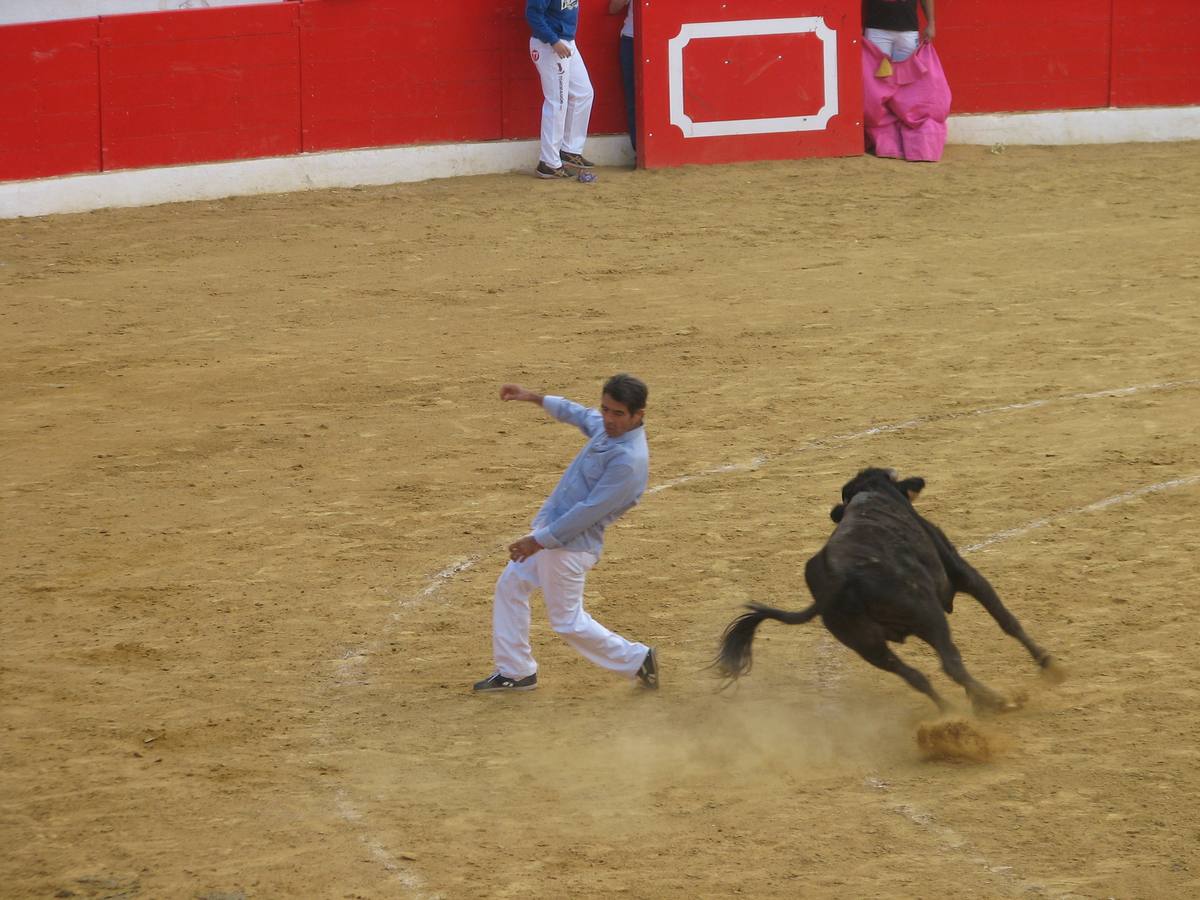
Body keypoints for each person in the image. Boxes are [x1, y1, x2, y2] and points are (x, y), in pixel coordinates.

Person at [473, 374, 659, 693]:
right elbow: (578, 413)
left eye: (618, 413)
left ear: (637, 415)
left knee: (567, 621)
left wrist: (537, 541)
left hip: (569, 546)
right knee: (511, 586)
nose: (608, 418)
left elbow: (588, 512)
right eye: (606, 409)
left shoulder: (628, 461)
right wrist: (531, 396)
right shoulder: (605, 426)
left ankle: (637, 659)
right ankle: (516, 671)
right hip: (554, 536)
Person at [526, 0, 596, 179]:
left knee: (584, 93)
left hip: (567, 42)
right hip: (550, 45)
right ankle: (548, 163)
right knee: (557, 102)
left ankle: (570, 150)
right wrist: (553, 40)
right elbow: (533, 14)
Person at [862, 0, 935, 63]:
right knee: (875, 72)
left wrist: (931, 24)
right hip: (876, 30)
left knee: (907, 73)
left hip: (908, 31)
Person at [609, 0, 636, 152]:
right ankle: (640, 149)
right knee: (634, 98)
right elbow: (613, 8)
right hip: (632, 39)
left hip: (666, 37)